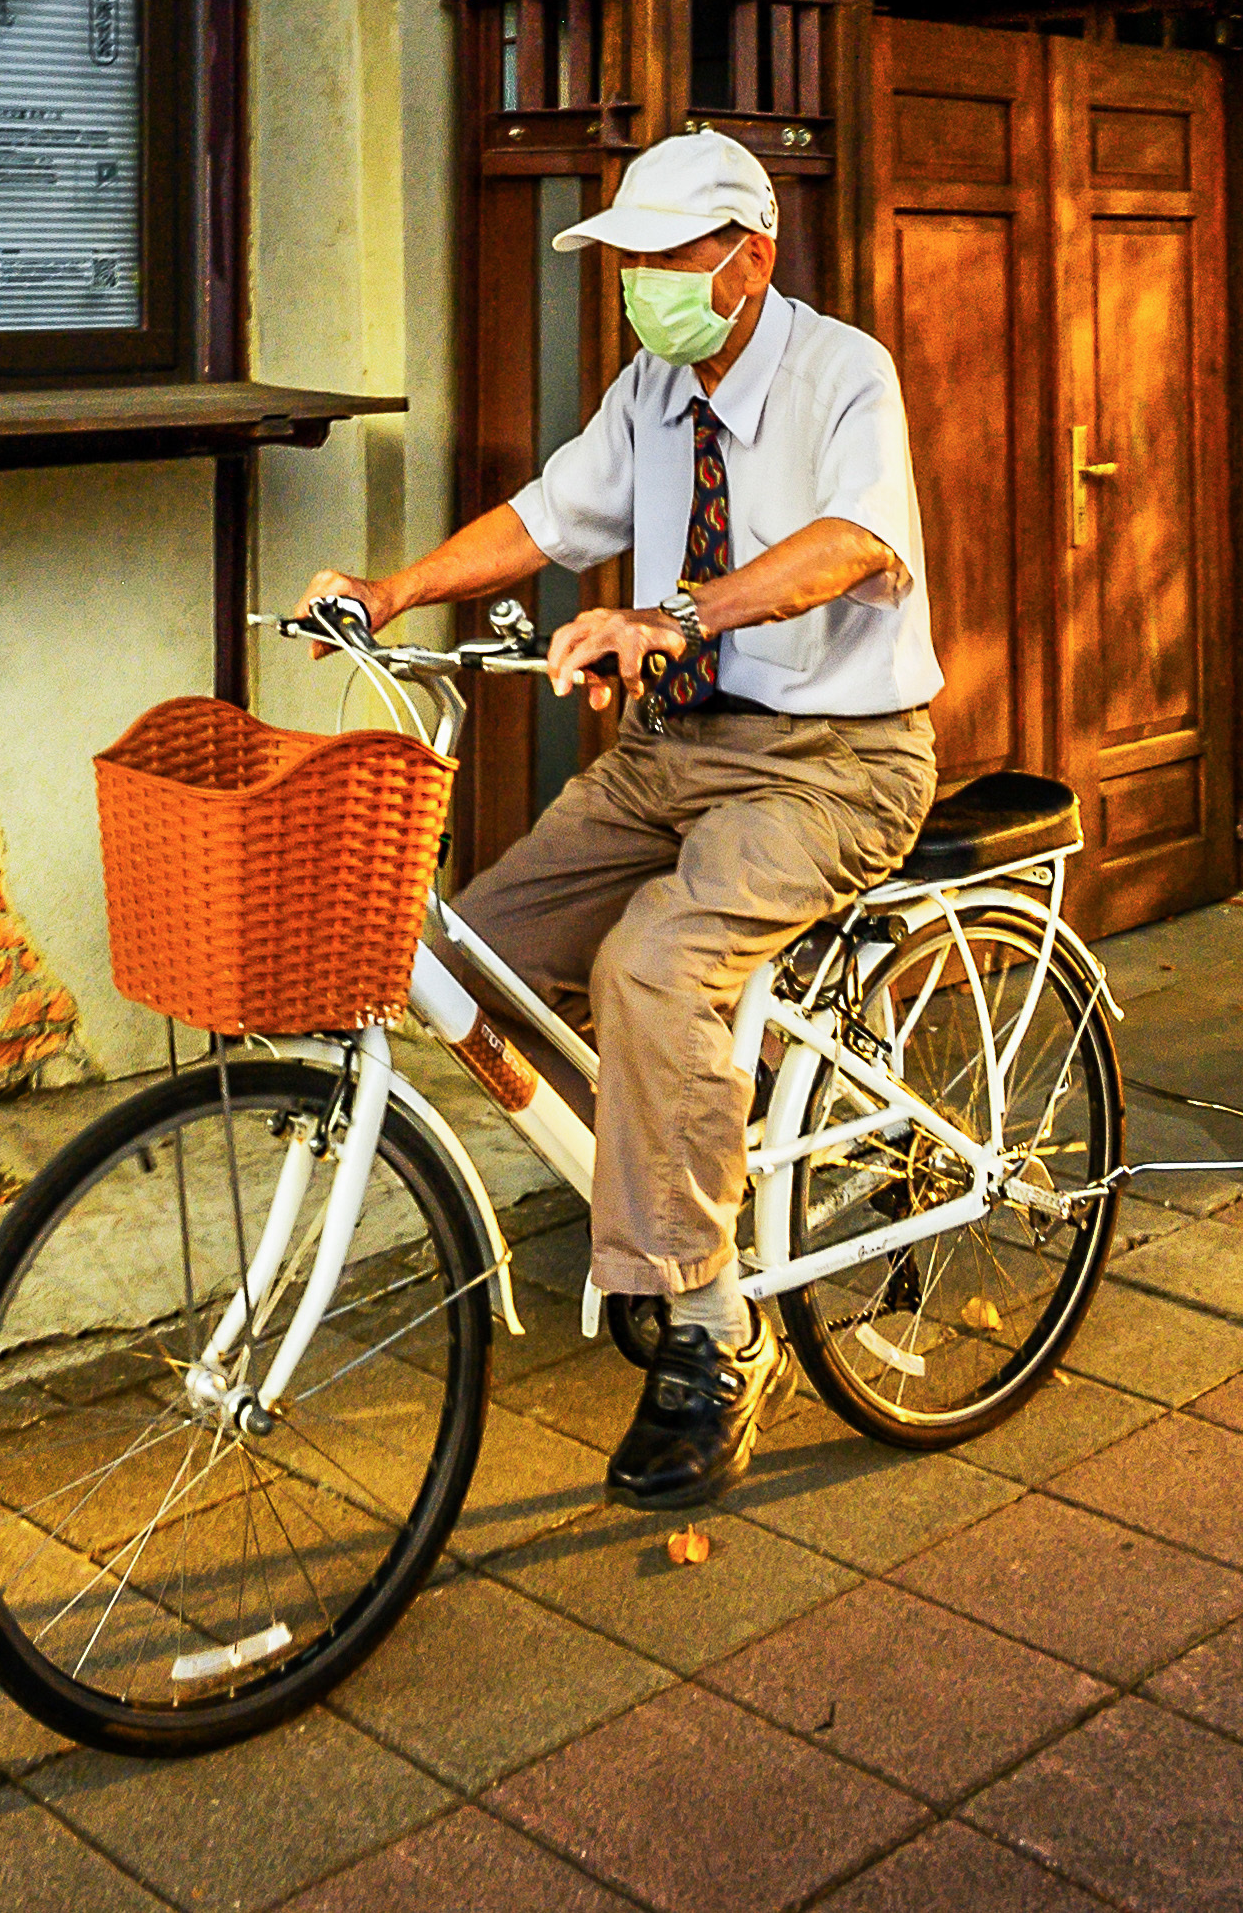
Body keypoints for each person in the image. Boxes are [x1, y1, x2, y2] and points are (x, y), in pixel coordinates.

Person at [308, 126, 940, 1512]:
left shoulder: (844, 372)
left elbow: (853, 543)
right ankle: (675, 1165)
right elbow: (549, 517)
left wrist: (671, 615)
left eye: (662, 259)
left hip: (829, 764)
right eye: (626, 263)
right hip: (670, 754)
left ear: (746, 259)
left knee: (653, 965)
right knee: (467, 955)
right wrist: (392, 591)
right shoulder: (652, 385)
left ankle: (710, 1326)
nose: (637, 285)